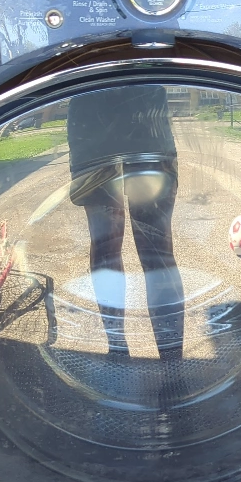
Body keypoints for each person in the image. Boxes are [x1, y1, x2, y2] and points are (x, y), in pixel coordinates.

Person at [66, 85, 185, 359]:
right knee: (114, 245)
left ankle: (169, 360)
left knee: (150, 248)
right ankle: (121, 349)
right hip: (103, 107)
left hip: (131, 104)